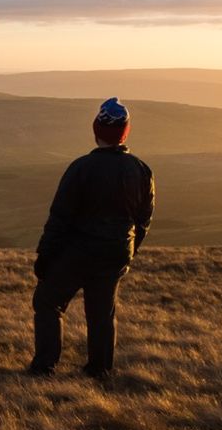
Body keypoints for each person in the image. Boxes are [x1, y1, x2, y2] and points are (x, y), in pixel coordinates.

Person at [27, 97, 154, 379]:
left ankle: (45, 366)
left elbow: (59, 218)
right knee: (101, 311)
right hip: (115, 253)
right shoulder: (140, 170)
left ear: (96, 130)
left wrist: (45, 257)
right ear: (125, 133)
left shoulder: (81, 168)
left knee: (47, 301)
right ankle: (100, 369)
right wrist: (129, 250)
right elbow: (143, 219)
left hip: (78, 252)